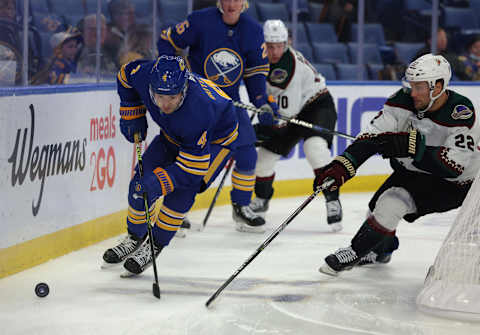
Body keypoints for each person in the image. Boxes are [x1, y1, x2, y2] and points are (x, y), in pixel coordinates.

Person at [314, 53, 480, 276]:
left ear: (438, 86)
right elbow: (372, 135)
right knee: (376, 209)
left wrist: (413, 147)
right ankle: (382, 251)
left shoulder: (461, 111)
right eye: (412, 86)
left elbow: (452, 166)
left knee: (392, 203)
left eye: (419, 87)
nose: (413, 93)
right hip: (414, 171)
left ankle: (354, 252)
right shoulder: (402, 100)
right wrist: (343, 166)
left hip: (453, 184)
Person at [102, 55, 239, 275]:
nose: (164, 104)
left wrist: (160, 183)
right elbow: (125, 75)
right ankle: (135, 238)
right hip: (173, 136)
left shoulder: (200, 110)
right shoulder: (145, 76)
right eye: (158, 96)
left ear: (184, 90)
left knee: (181, 192)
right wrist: (131, 111)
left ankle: (155, 244)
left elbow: (193, 171)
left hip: (215, 143)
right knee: (139, 187)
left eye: (172, 97)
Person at [156, 0, 278, 233]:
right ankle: (175, 210)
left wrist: (262, 103)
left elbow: (255, 74)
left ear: (244, 2)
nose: (231, 4)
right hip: (195, 102)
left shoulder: (253, 31)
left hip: (230, 104)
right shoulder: (199, 21)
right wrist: (171, 74)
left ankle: (241, 206)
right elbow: (167, 39)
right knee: (191, 160)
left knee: (247, 155)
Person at [250, 20, 342, 232]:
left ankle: (332, 200)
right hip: (289, 112)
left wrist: (260, 130)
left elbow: (286, 116)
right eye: (269, 46)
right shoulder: (259, 58)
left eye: (279, 45)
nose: (274, 51)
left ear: (287, 42)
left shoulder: (289, 67)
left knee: (315, 150)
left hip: (316, 106)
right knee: (263, 160)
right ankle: (261, 200)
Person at [76, 14, 117, 78]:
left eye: (101, 29)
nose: (97, 32)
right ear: (83, 32)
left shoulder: (115, 53)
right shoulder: (74, 52)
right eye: (92, 29)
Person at [104, 0, 136, 68]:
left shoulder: (139, 32)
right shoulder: (105, 33)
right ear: (113, 15)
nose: (129, 17)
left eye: (131, 13)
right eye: (121, 13)